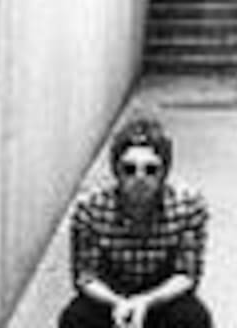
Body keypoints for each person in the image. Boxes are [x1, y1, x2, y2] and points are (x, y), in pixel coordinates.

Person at [58, 118, 212, 328]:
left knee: (193, 318)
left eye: (150, 170)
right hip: (110, 297)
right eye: (130, 169)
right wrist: (119, 303)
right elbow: (86, 277)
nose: (140, 178)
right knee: (75, 318)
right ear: (116, 171)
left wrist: (145, 302)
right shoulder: (91, 208)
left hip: (161, 298)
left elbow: (187, 274)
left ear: (164, 173)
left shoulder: (188, 206)